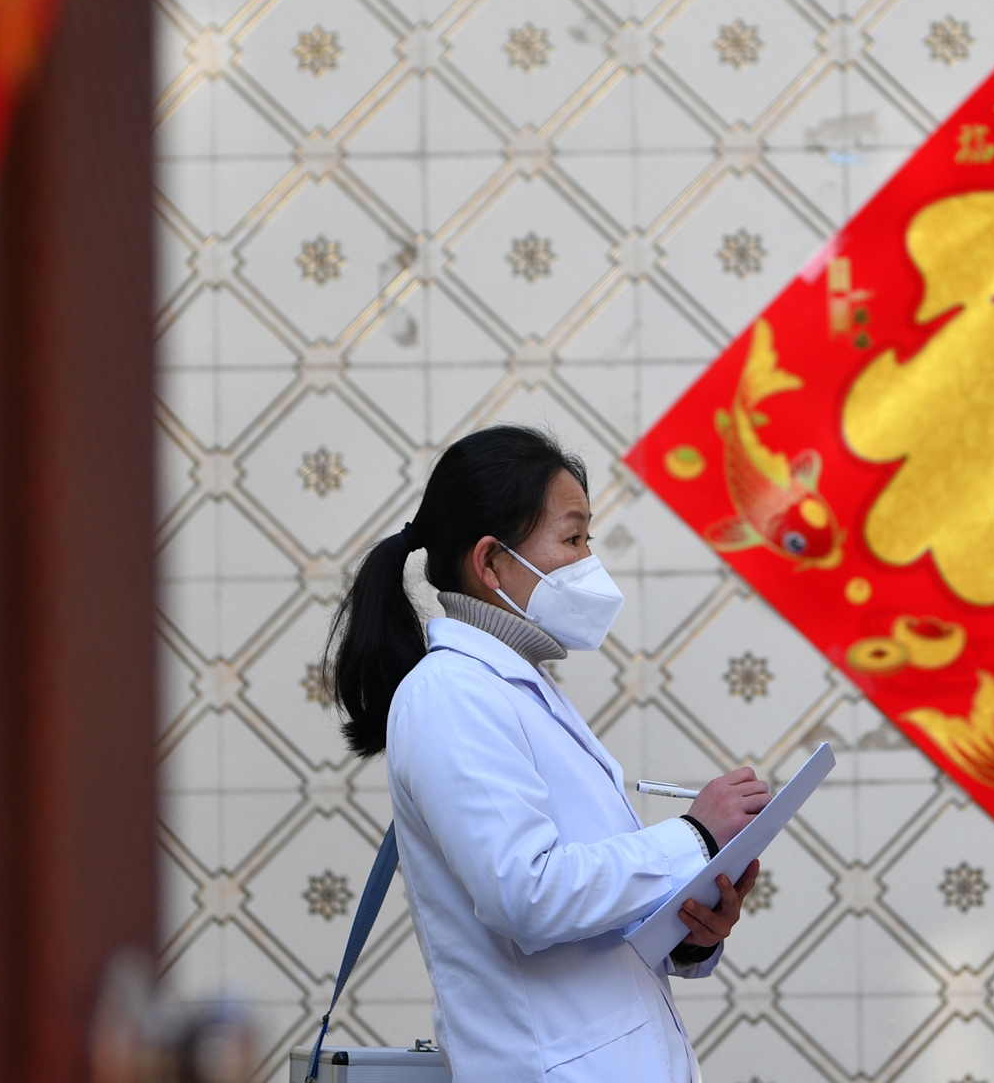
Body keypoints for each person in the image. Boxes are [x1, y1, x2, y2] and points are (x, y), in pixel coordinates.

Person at [324, 425, 768, 1082]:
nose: (591, 560)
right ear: (491, 563)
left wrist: (688, 929)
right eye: (573, 538)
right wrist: (695, 835)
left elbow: (584, 910)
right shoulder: (449, 694)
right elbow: (524, 894)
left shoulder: (518, 689)